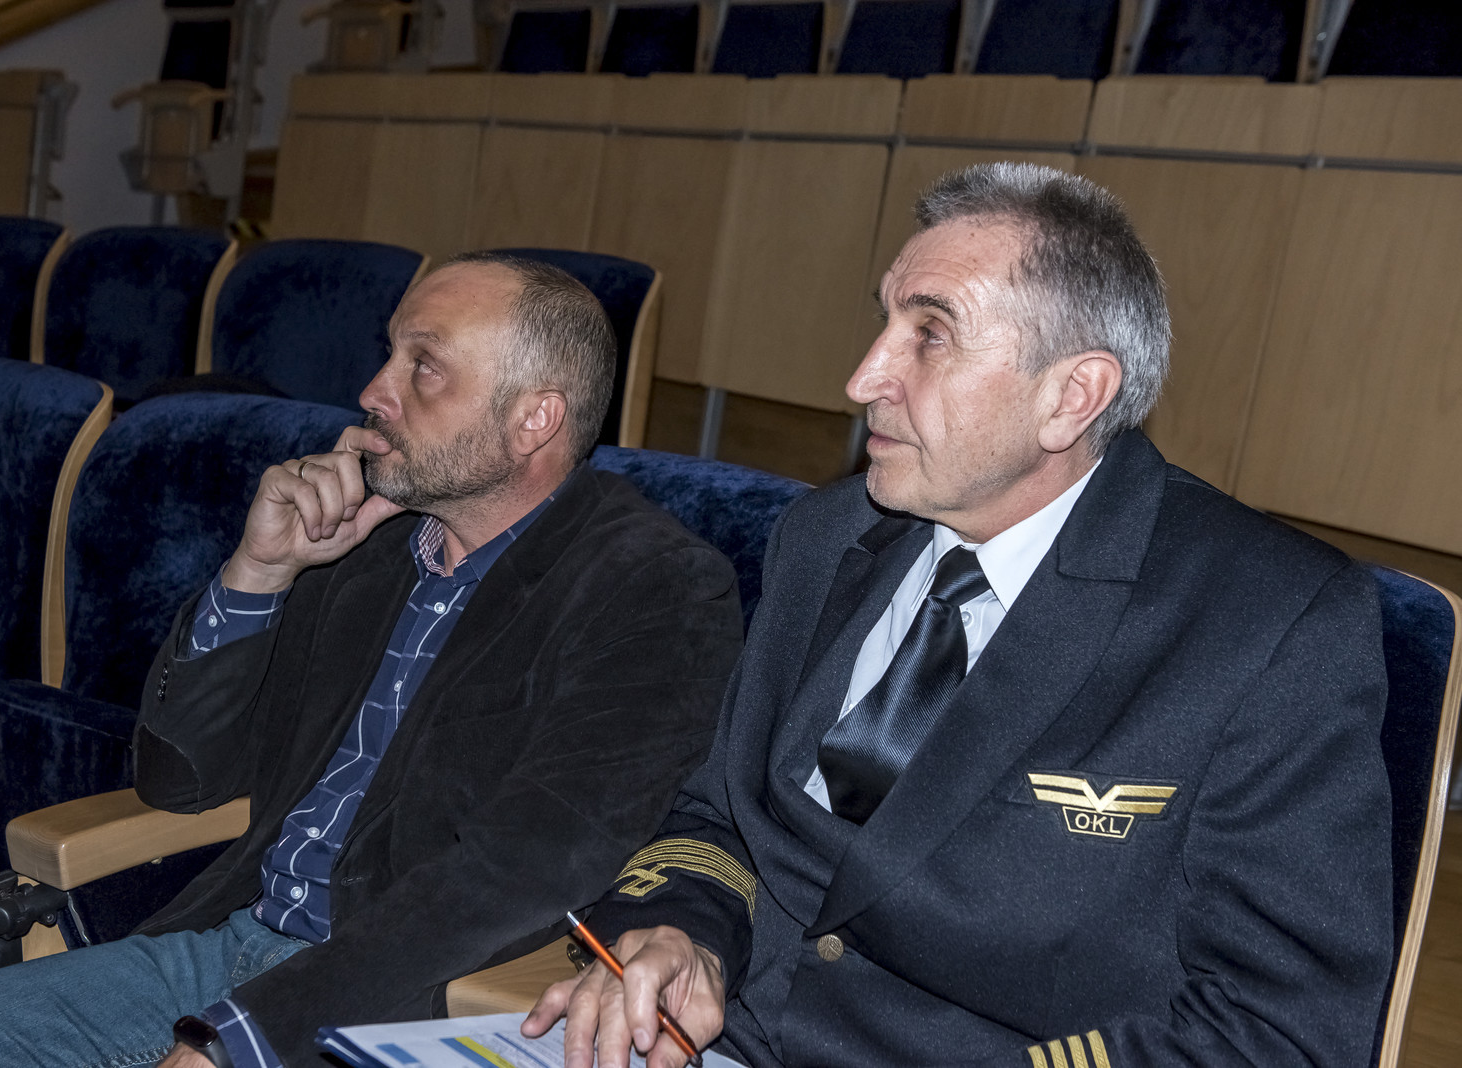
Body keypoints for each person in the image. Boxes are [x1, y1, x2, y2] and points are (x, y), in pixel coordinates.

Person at [528, 163, 1393, 1068]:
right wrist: (686, 933)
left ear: (1072, 397)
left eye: (929, 335)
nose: (864, 378)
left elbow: (1278, 1032)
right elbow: (723, 817)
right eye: (884, 322)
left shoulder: (1267, 625)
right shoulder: (829, 535)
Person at [0, 253, 744, 1067]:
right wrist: (258, 572)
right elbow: (179, 779)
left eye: (423, 366)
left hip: (401, 1002)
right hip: (219, 951)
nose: (373, 390)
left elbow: (515, 875)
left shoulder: (651, 588)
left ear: (533, 419)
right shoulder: (364, 545)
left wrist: (241, 1041)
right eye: (388, 354)